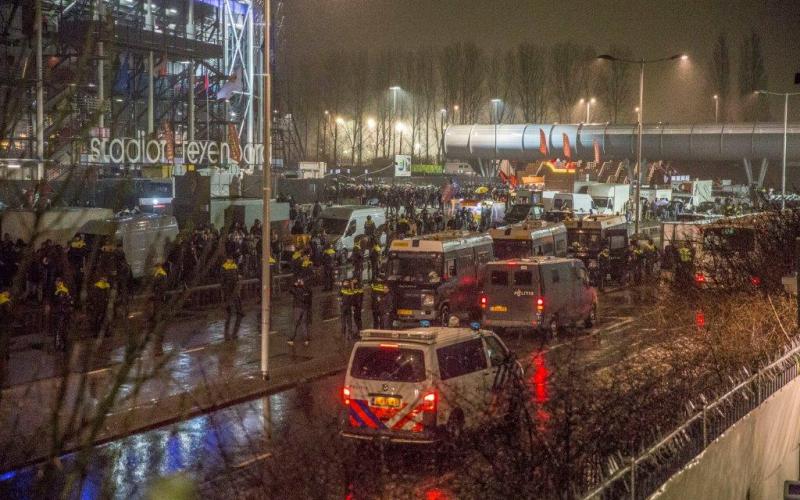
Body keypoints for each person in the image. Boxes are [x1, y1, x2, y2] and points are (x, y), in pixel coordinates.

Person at [221, 256, 243, 339]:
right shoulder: (227, 267)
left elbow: (236, 275)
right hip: (230, 287)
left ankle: (236, 311)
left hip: (231, 286)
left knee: (234, 298)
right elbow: (224, 278)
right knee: (233, 298)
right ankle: (234, 311)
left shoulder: (228, 266)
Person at [288, 279, 312, 346]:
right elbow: (310, 299)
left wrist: (294, 285)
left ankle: (291, 339)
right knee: (304, 324)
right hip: (305, 309)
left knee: (295, 324)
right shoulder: (307, 290)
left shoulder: (297, 289)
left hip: (298, 308)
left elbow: (290, 290)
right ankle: (306, 339)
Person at [52, 277, 73, 352]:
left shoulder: (62, 291)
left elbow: (63, 303)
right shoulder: (58, 291)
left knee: (60, 330)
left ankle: (61, 345)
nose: (56, 283)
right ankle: (62, 345)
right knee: (61, 330)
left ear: (60, 282)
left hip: (62, 314)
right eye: (56, 282)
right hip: (61, 313)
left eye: (57, 282)